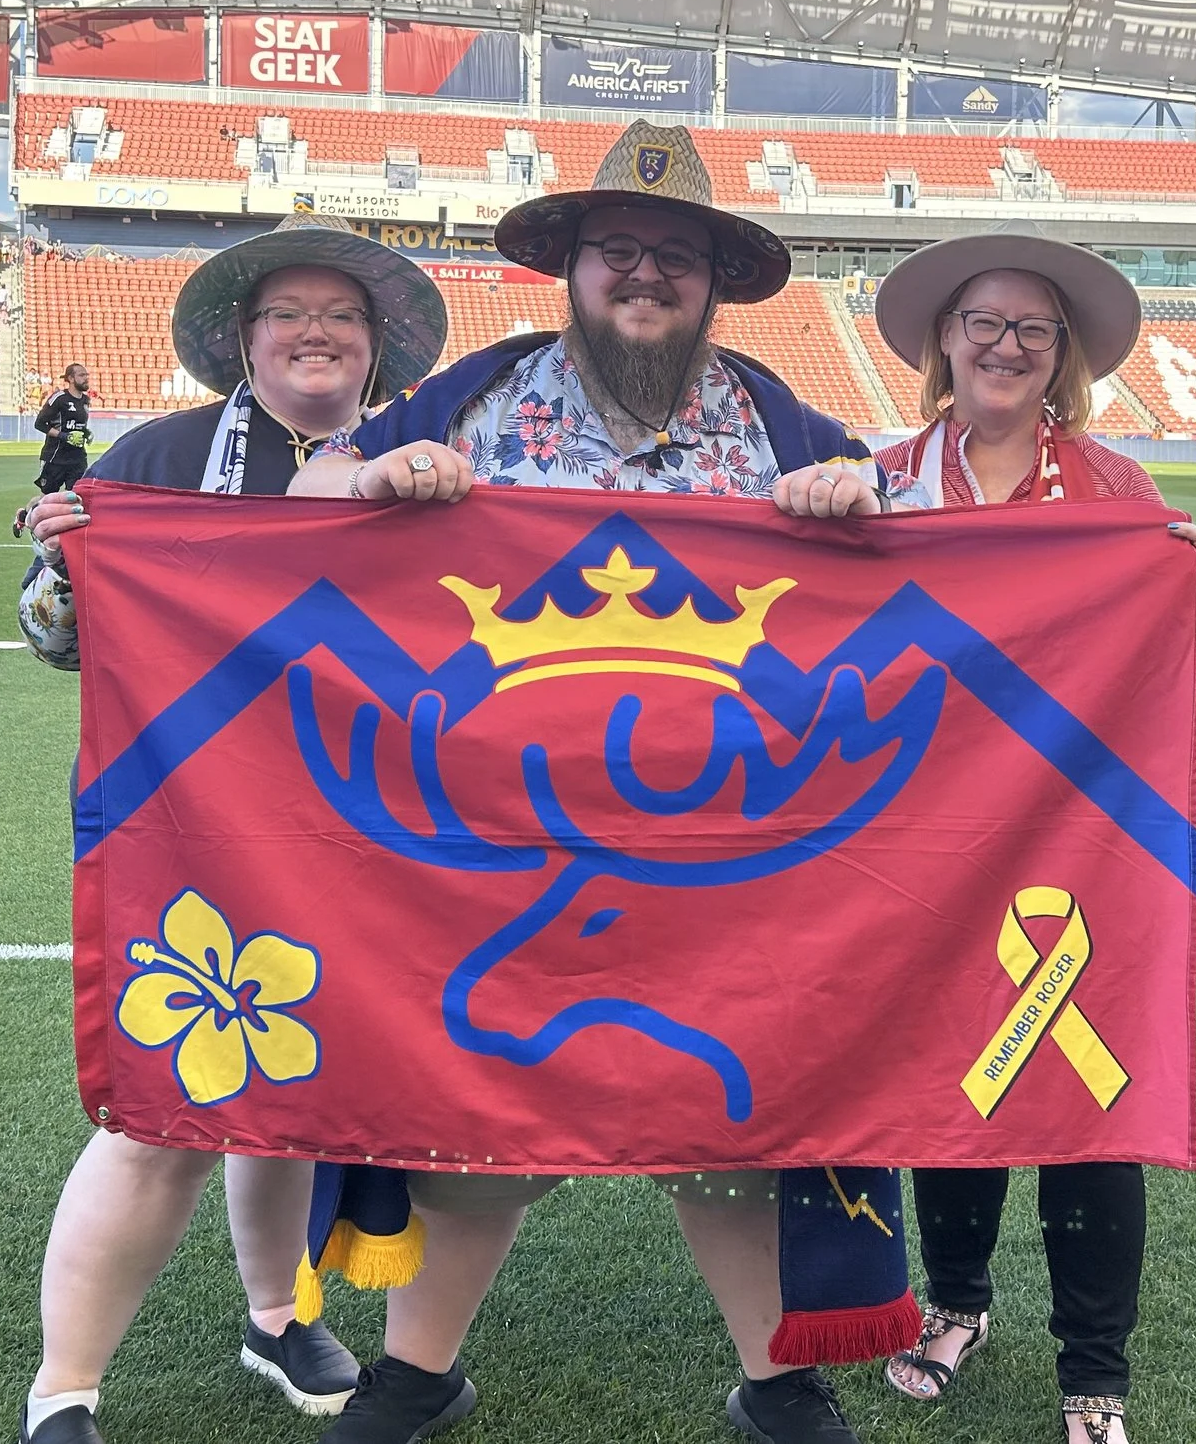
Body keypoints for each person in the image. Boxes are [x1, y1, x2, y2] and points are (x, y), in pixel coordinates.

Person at [288, 121, 910, 1444]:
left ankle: (777, 1372)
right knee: (481, 1114)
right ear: (568, 265)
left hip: (728, 844)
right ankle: (418, 1368)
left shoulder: (773, 416)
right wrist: (374, 472)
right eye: (616, 249)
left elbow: (894, 553)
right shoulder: (477, 395)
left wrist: (856, 494)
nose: (644, 274)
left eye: (673, 255)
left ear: (714, 279)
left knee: (735, 1114)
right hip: (499, 836)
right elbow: (310, 491)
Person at [13, 216, 451, 1444]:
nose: (316, 335)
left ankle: (276, 1314)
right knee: (165, 1105)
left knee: (298, 1073)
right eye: (288, 317)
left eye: (341, 318)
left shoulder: (430, 458)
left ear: (376, 346)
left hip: (365, 831)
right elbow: (60, 642)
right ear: (243, 341)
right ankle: (65, 1387)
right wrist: (59, 570)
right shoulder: (158, 455)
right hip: (187, 824)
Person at [865, 227, 1196, 1444]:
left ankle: (1093, 1373)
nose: (1005, 347)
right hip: (927, 837)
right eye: (985, 324)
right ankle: (956, 1305)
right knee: (950, 1074)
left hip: (1080, 838)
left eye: (1032, 330)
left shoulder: (1117, 492)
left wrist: (1176, 569)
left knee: (1088, 1097)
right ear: (944, 342)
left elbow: (1149, 648)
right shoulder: (882, 477)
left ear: (1059, 357)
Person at [33, 365, 93, 495]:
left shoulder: (85, 400)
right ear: (71, 378)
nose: (86, 378)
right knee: (47, 499)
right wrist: (64, 436)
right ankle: (25, 514)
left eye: (86, 375)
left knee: (76, 497)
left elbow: (78, 425)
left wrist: (87, 433)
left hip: (77, 458)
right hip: (55, 456)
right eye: (82, 375)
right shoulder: (59, 398)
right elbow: (40, 424)